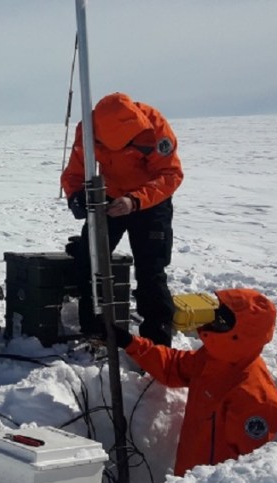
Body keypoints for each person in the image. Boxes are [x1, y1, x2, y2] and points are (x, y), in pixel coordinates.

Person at [111, 288, 277, 477]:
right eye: (217, 311)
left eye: (221, 318)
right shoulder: (216, 358)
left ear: (238, 332)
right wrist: (129, 342)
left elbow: (248, 473)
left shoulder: (256, 398)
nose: (212, 319)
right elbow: (174, 366)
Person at [61, 92, 184, 346]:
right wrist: (75, 197)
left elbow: (170, 174)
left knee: (151, 271)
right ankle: (93, 329)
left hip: (151, 201)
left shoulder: (155, 127)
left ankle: (158, 343)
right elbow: (75, 171)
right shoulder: (88, 129)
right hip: (110, 198)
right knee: (89, 259)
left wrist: (135, 200)